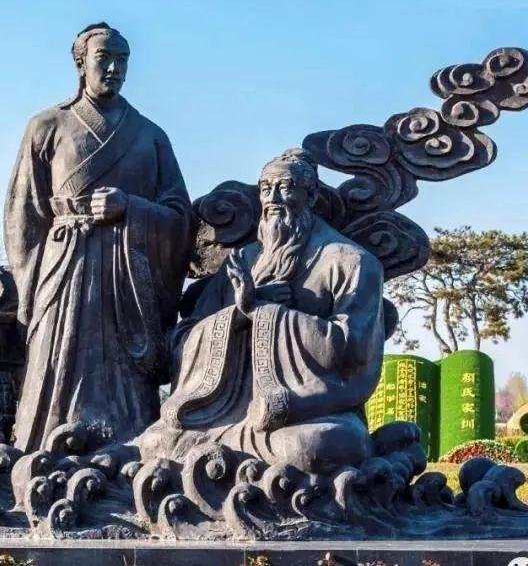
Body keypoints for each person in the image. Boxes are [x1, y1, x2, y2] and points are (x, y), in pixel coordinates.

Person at [136, 149, 385, 473]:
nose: (273, 198)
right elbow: (184, 337)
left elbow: (354, 351)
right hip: (220, 414)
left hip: (301, 415)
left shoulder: (349, 261)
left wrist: (268, 314)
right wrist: (238, 315)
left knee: (319, 445)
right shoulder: (241, 260)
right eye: (266, 189)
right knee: (156, 443)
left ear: (311, 195)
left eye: (285, 187)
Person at [4, 23, 191, 452]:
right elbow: (22, 216)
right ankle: (44, 447)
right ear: (80, 64)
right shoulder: (46, 126)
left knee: (126, 379)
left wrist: (132, 207)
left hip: (128, 274)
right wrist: (28, 292)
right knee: (58, 360)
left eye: (122, 60)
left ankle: (132, 447)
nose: (113, 68)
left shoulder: (150, 135)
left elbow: (181, 216)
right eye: (103, 58)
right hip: (65, 266)